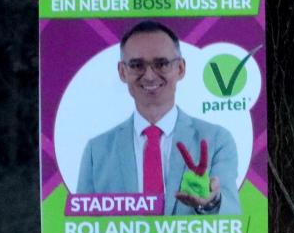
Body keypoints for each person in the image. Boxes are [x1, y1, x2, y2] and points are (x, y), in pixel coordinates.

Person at [76, 21, 243, 216]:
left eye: (161, 64)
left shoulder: (217, 140)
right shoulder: (96, 151)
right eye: (137, 65)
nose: (149, 76)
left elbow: (231, 214)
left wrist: (211, 202)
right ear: (122, 72)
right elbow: (82, 225)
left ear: (180, 68)